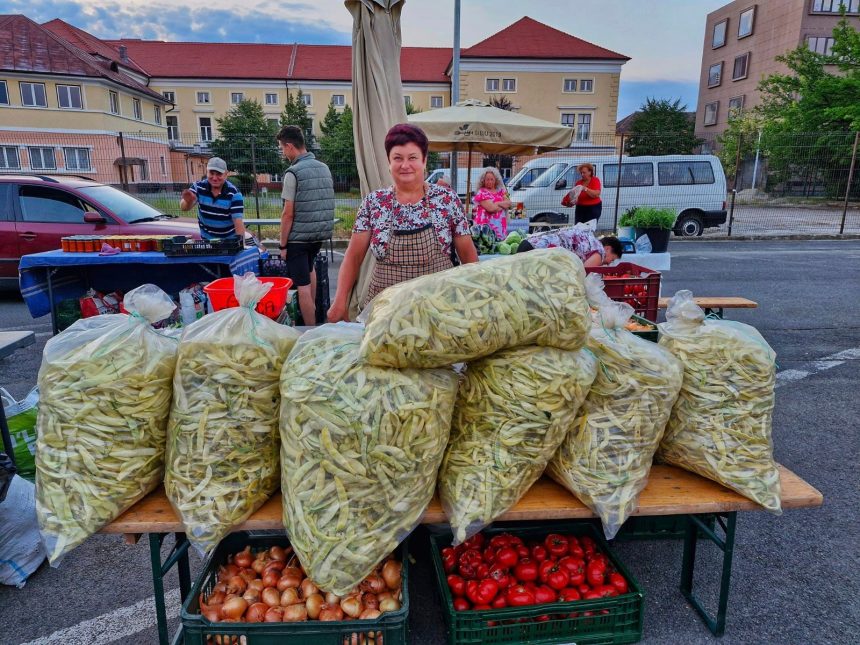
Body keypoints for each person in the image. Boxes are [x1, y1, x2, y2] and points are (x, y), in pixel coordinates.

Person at [327, 123, 478, 322]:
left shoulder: (446, 199)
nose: (405, 165)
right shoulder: (374, 203)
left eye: (412, 158)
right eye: (397, 158)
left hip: (439, 309)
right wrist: (339, 302)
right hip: (384, 312)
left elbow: (467, 254)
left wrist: (477, 294)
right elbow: (353, 257)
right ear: (389, 162)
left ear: (424, 161)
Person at [276, 125, 335, 326]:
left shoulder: (293, 173)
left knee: (302, 287)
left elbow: (288, 213)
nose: (283, 153)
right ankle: (316, 315)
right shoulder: (324, 168)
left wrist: (283, 245)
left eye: (282, 148)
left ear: (290, 146)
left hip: (298, 239)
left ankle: (310, 331)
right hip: (318, 235)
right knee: (310, 269)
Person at [179, 157, 246, 240]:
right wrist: (188, 201)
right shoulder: (198, 187)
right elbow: (183, 208)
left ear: (226, 174)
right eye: (211, 173)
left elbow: (238, 221)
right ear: (207, 172)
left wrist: (240, 244)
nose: (214, 178)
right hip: (206, 241)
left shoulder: (234, 194)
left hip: (229, 241)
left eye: (219, 174)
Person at [516, 226, 623, 267]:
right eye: (612, 259)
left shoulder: (591, 241)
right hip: (535, 252)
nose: (609, 263)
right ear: (608, 249)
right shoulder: (599, 253)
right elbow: (583, 273)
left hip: (527, 244)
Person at [472, 167, 511, 239]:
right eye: (487, 179)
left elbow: (508, 203)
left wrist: (497, 204)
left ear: (496, 180)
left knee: (500, 243)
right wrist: (502, 205)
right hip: (486, 226)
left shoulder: (501, 191)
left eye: (492, 179)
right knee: (488, 243)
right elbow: (491, 208)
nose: (490, 182)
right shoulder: (481, 192)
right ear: (483, 180)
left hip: (500, 225)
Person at [562, 162, 602, 230]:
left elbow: (596, 194)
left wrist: (585, 188)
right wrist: (568, 202)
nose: (582, 174)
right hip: (580, 208)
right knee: (578, 228)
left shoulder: (595, 180)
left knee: (589, 229)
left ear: (590, 172)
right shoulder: (578, 183)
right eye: (581, 173)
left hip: (593, 208)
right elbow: (573, 197)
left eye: (584, 172)